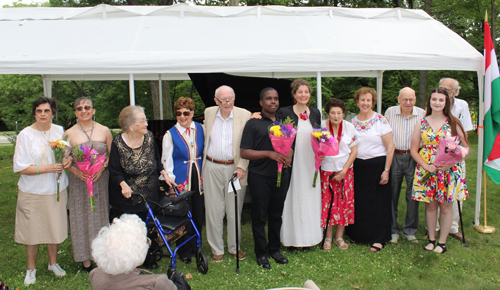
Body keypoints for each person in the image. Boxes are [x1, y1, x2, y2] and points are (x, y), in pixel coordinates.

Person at [13, 97, 71, 286]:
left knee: (53, 227)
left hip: (56, 189)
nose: (43, 114)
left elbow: (66, 155)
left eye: (47, 111)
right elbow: (20, 167)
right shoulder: (25, 135)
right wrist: (46, 168)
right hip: (33, 191)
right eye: (39, 111)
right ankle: (31, 269)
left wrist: (67, 161)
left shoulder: (59, 131)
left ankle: (53, 263)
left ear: (53, 113)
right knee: (32, 231)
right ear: (34, 113)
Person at [108, 105, 169, 269]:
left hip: (150, 194)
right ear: (130, 125)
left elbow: (156, 161)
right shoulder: (118, 143)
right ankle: (129, 261)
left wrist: (164, 173)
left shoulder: (149, 137)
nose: (146, 124)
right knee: (130, 231)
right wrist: (123, 185)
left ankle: (149, 258)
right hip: (127, 197)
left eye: (145, 120)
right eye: (142, 121)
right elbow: (114, 170)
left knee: (148, 227)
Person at [411, 88, 469, 254]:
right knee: (430, 206)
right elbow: (413, 149)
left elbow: (465, 147)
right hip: (427, 168)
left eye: (441, 100)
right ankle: (431, 239)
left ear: (446, 103)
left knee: (445, 207)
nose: (437, 103)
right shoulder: (421, 122)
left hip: (448, 171)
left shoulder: (453, 122)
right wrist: (425, 165)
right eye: (434, 99)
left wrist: (451, 164)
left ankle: (442, 243)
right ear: (429, 101)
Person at [240, 88, 292, 269]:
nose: (273, 102)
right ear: (261, 102)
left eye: (276, 99)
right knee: (260, 216)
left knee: (276, 214)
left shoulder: (285, 124)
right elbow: (244, 152)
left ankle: (275, 249)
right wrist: (269, 154)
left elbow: (290, 146)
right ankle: (261, 253)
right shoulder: (253, 124)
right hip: (260, 177)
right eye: (268, 99)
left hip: (281, 176)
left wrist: (289, 155)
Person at [64, 97, 113, 273]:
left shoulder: (105, 130)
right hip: (80, 181)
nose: (83, 110)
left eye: (87, 107)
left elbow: (112, 155)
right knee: (80, 217)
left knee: (100, 215)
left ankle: (102, 256)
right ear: (76, 112)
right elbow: (65, 160)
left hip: (100, 180)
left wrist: (103, 166)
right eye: (79, 108)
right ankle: (85, 259)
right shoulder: (68, 133)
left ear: (93, 110)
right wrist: (78, 173)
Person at [203, 85, 251, 262]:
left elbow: (249, 143)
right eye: (223, 100)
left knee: (234, 210)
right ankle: (217, 249)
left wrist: (242, 166)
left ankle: (234, 247)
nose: (227, 103)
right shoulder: (208, 113)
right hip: (212, 166)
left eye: (230, 98)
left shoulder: (244, 115)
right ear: (216, 101)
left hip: (235, 169)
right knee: (213, 209)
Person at [345, 87, 395, 252]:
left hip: (378, 166)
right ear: (357, 102)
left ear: (373, 102)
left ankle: (378, 238)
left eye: (368, 100)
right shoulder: (352, 123)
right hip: (358, 166)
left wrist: (386, 170)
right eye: (362, 100)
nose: (365, 103)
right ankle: (358, 234)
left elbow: (390, 147)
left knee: (378, 204)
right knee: (360, 202)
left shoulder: (380, 120)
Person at [279, 79, 322, 248]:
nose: (303, 95)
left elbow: (319, 134)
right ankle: (292, 239)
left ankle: (312, 238)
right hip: (294, 162)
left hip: (311, 161)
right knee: (293, 196)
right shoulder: (285, 112)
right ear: (294, 95)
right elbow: (280, 135)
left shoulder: (316, 112)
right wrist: (287, 152)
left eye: (306, 92)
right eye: (300, 92)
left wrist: (323, 150)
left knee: (311, 196)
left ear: (309, 95)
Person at [162, 97, 205, 264]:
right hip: (181, 179)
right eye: (179, 113)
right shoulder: (170, 134)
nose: (182, 116)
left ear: (192, 113)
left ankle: (196, 245)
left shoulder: (201, 129)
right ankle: (184, 249)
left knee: (198, 212)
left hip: (198, 177)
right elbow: (166, 160)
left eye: (186, 113)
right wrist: (170, 183)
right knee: (184, 214)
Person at [89, 214, 180, 290]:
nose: (149, 242)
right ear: (139, 257)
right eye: (145, 242)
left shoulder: (95, 274)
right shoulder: (157, 282)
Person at [384, 88, 426, 244]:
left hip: (414, 156)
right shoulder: (390, 112)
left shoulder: (422, 114)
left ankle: (410, 230)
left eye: (411, 99)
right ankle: (393, 230)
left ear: (415, 99)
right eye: (404, 99)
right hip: (394, 155)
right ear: (398, 99)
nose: (408, 103)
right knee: (392, 193)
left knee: (413, 195)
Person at [435, 78, 474, 242]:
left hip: (455, 154)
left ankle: (453, 227)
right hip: (437, 156)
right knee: (436, 191)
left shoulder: (462, 105)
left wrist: (456, 152)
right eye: (441, 88)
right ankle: (435, 227)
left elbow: (464, 133)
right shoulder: (435, 103)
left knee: (455, 192)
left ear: (455, 92)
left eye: (448, 90)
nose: (443, 91)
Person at [320, 98, 358, 250]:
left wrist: (343, 171)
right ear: (328, 113)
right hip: (327, 170)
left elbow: (354, 152)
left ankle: (339, 237)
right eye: (332, 113)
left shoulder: (349, 127)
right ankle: (328, 236)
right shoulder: (321, 127)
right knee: (328, 203)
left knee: (343, 202)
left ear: (343, 113)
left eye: (339, 113)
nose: (336, 116)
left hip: (345, 169)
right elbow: (317, 148)